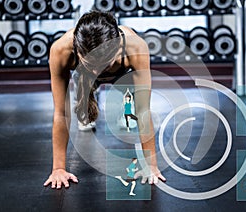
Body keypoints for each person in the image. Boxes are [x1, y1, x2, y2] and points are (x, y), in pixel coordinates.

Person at [43, 11, 166, 189]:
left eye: (104, 64)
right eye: (91, 64)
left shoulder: (135, 47)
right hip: (82, 77)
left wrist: (151, 165)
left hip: (122, 76)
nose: (97, 72)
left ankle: (122, 102)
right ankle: (85, 93)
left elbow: (143, 111)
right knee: (84, 116)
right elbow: (61, 113)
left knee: (131, 109)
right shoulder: (61, 50)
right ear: (78, 51)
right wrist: (58, 168)